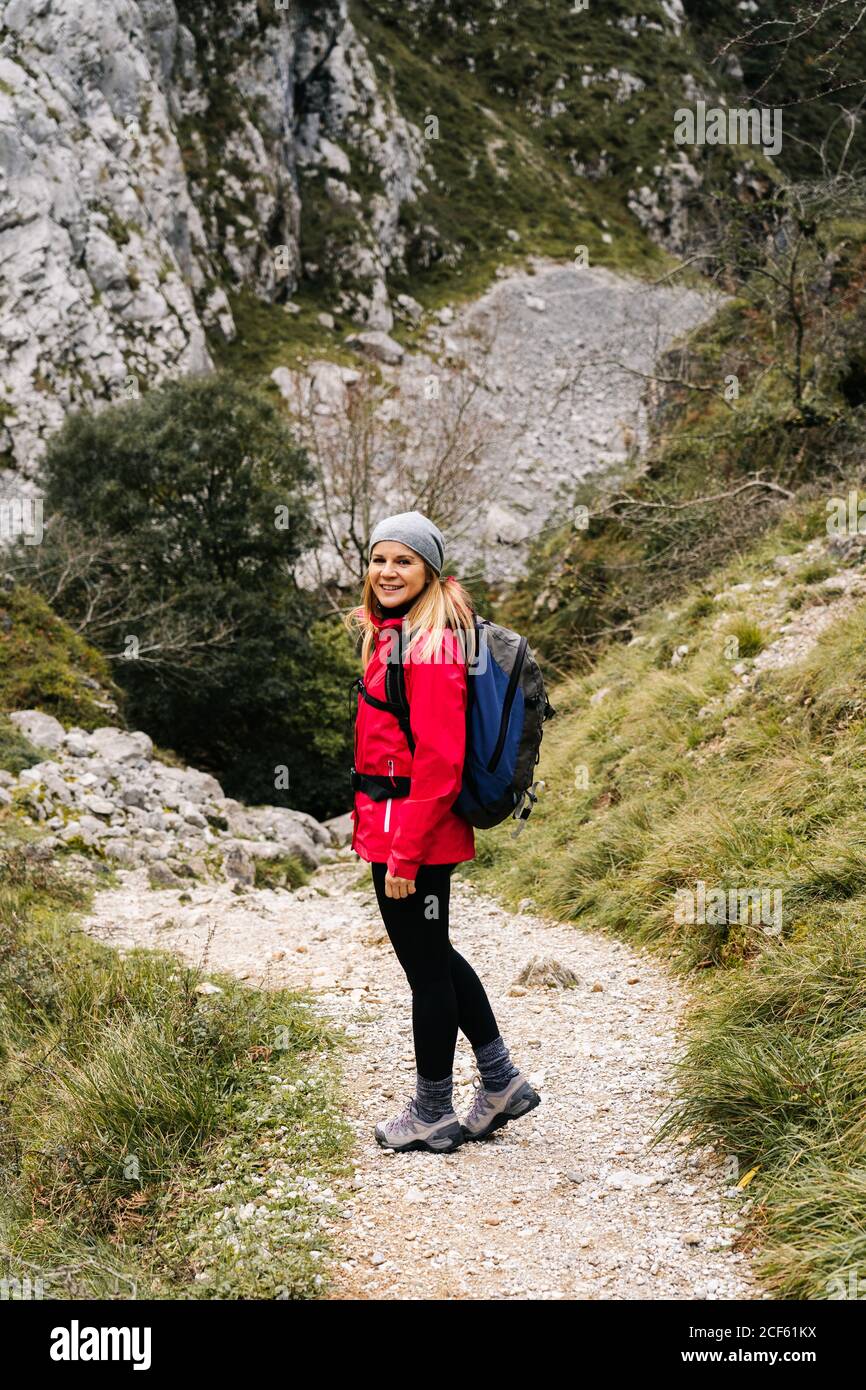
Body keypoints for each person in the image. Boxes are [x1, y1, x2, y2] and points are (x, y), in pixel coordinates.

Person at [345, 509, 540, 1154]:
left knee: (424, 971)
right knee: (438, 957)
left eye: (404, 561)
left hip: (413, 832)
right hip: (403, 826)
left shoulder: (427, 648)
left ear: (430, 570)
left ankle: (432, 1111)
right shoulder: (401, 634)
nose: (388, 571)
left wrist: (404, 854)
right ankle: (501, 1080)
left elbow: (439, 759)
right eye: (380, 559)